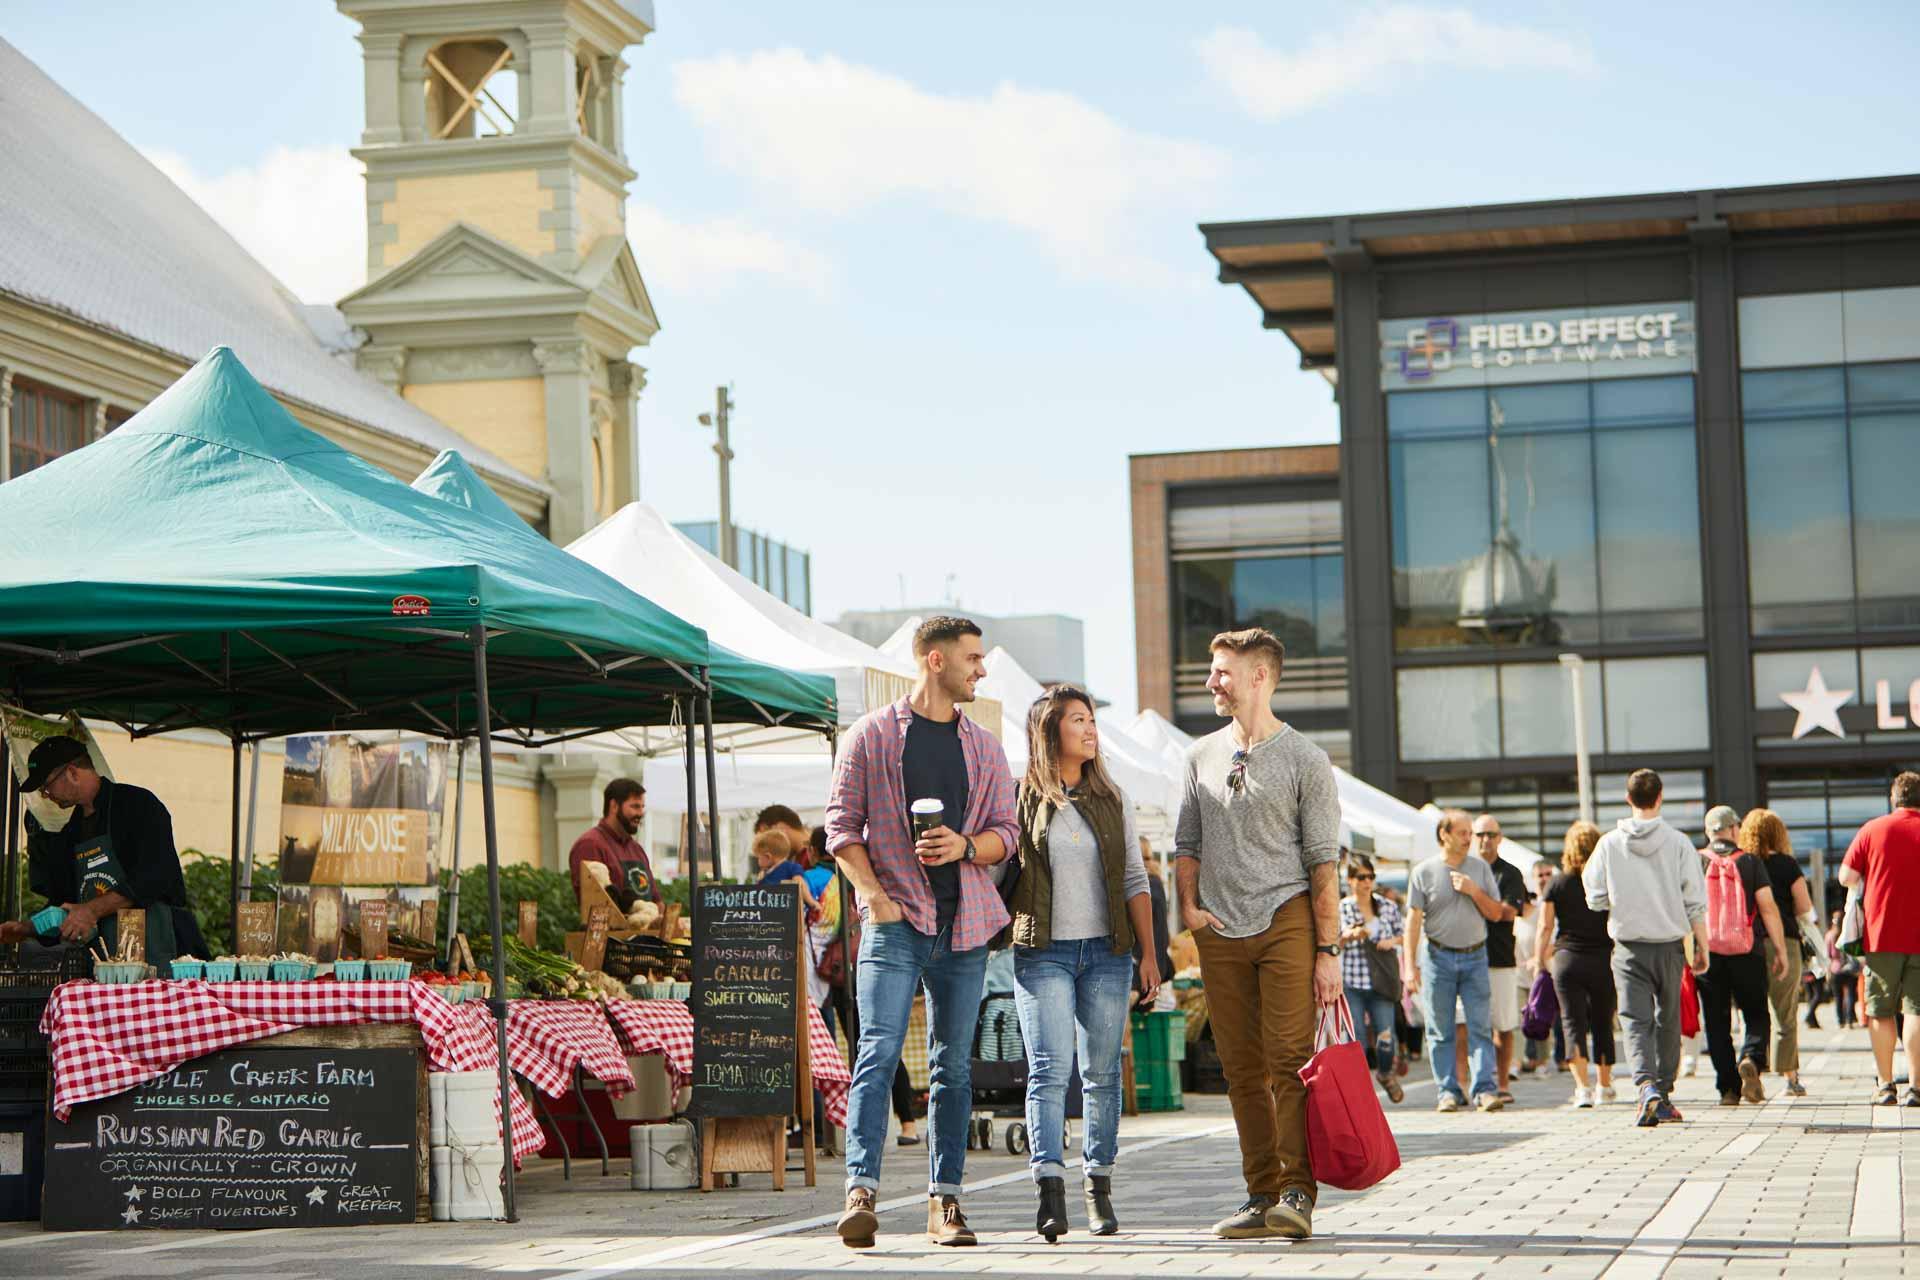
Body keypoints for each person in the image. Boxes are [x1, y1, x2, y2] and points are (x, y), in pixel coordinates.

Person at [825, 615, 1019, 1249]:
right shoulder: (873, 735)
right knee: (876, 1055)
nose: (982, 668)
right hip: (896, 921)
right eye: (973, 657)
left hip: (963, 924)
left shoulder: (986, 747)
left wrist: (965, 844)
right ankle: (861, 1192)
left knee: (951, 1070)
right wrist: (874, 897)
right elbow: (840, 829)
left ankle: (946, 1202)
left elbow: (1006, 837)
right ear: (935, 661)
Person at [1174, 627, 1342, 1241]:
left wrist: (1327, 950)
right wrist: (1190, 909)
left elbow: (1324, 861)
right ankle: (1259, 1194)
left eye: (1221, 671)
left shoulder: (1306, 759)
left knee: (1289, 1062)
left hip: (1286, 922)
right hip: (1220, 931)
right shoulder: (1198, 757)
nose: (1211, 681)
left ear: (1260, 677)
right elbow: (1185, 844)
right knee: (1240, 1069)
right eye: (1212, 670)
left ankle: (1297, 1190)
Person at [1006, 685, 1161, 1240]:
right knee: (1049, 1072)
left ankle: (1099, 1185)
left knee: (1100, 1075)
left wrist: (1149, 953)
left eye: (1092, 719)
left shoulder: (1112, 798)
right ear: (1051, 731)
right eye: (1078, 720)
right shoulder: (1019, 795)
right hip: (1041, 949)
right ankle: (1049, 1189)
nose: (1091, 729)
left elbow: (1135, 880)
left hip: (1106, 952)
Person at [0, 736, 209, 966]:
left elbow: (155, 876)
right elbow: (64, 903)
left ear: (72, 772)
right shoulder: (69, 833)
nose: (46, 795)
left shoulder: (138, 805)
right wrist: (26, 928)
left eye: (47, 786)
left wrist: (90, 910)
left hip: (157, 955)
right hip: (102, 963)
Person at [1583, 769, 1709, 1127]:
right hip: (1669, 944)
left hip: (1628, 946)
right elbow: (1694, 901)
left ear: (1628, 799)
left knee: (1634, 1021)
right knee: (1668, 1018)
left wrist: (1616, 899)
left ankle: (1645, 1086)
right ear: (1660, 797)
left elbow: (1594, 895)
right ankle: (1664, 1093)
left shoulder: (1608, 844)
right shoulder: (1679, 843)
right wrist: (1703, 945)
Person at [1405, 809, 1511, 1115]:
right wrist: (1410, 967)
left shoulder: (1479, 869)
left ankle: (1485, 1091)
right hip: (1437, 957)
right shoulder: (1423, 872)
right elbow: (1413, 921)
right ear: (1444, 835)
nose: (1470, 839)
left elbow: (1495, 913)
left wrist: (1473, 890)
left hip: (1475, 956)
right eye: (1463, 833)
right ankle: (1448, 1091)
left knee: (1480, 1026)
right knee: (1440, 1029)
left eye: (1470, 833)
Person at [1837, 771, 1920, 1106]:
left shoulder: (1872, 829)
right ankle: (1916, 1087)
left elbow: (1846, 877)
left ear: (1893, 798)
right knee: (1917, 1010)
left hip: (1882, 933)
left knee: (1881, 1011)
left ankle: (1886, 1085)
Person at [1696, 805, 1787, 1107]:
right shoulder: (1749, 861)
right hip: (1748, 951)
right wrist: (1781, 950)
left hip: (1709, 953)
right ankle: (1751, 1056)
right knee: (1756, 1012)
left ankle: (1728, 1090)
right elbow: (1768, 907)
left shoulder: (1696, 860)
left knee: (1716, 1020)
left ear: (1708, 832)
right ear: (1734, 829)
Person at [1536, 821, 1616, 1108]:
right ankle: (1604, 1087)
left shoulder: (1557, 882)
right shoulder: (1606, 879)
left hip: (1567, 958)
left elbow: (1545, 927)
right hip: (1602, 958)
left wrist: (1539, 961)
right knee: (1602, 1022)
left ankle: (1582, 1088)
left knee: (1572, 1022)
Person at [1740, 809, 1814, 1097]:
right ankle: (1790, 1078)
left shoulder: (1744, 863)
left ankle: (1752, 1065)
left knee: (1756, 1011)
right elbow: (1805, 905)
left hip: (1750, 944)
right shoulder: (1787, 864)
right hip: (1785, 941)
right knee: (1785, 1014)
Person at [1463, 815, 1530, 1103]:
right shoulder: (1462, 869)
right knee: (1466, 1024)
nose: (1485, 840)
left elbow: (1506, 913)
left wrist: (1475, 896)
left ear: (1500, 838)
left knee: (1503, 1025)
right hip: (1464, 957)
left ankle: (1502, 1084)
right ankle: (1469, 1085)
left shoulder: (1510, 873)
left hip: (1500, 957)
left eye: (1490, 834)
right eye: (1480, 835)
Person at [1339, 856, 1406, 1103]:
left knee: (1386, 1037)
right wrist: (1349, 935)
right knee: (1354, 1038)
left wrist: (1391, 942)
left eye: (1370, 877)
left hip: (1381, 981)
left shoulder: (1386, 906)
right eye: (1361, 877)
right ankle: (1358, 1090)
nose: (1367, 882)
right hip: (1352, 981)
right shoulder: (1343, 907)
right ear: (1350, 880)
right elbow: (1333, 940)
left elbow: (1403, 935)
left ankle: (1386, 1073)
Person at [567, 778, 662, 911]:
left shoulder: (636, 849)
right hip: (611, 932)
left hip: (646, 931)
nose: (640, 813)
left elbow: (656, 901)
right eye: (635, 806)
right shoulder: (590, 845)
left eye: (642, 807)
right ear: (614, 806)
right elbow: (596, 906)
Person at [1828, 909, 1861, 1029]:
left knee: (1838, 997)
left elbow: (1828, 955)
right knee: (1851, 995)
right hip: (1850, 969)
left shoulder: (1830, 935)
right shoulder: (1849, 933)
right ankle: (1849, 1020)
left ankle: (1840, 1020)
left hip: (1836, 968)